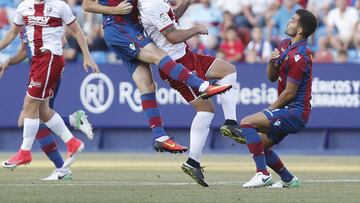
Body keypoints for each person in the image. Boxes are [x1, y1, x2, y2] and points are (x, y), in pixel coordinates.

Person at [82, 0, 233, 153]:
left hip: (132, 30)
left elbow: (167, 18)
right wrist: (116, 10)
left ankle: (160, 136)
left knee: (147, 86)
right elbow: (87, 5)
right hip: (120, 29)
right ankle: (203, 86)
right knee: (160, 56)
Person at [138, 0, 244, 187]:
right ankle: (192, 162)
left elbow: (171, 20)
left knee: (228, 70)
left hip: (186, 55)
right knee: (206, 109)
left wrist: (185, 4)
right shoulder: (151, 4)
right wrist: (195, 29)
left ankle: (230, 123)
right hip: (175, 64)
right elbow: (172, 36)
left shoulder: (156, 3)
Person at [0, 0, 100, 169]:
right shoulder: (24, 8)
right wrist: (8, 60)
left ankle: (26, 153)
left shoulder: (59, 6)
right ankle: (71, 142)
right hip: (37, 65)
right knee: (41, 111)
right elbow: (13, 36)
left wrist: (86, 56)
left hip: (49, 60)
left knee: (29, 108)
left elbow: (73, 33)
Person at [229, 9, 318, 188]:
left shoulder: (299, 56)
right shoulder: (286, 45)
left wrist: (268, 111)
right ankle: (288, 179)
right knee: (260, 146)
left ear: (300, 30)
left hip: (295, 113)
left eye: (292, 20)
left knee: (247, 123)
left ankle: (262, 174)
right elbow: (271, 77)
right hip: (288, 111)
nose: (288, 22)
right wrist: (271, 63)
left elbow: (289, 93)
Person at [0, 39, 94, 180]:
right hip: (37, 70)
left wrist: (45, 53)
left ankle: (60, 167)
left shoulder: (40, 18)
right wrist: (9, 61)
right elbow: (24, 49)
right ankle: (73, 122)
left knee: (31, 119)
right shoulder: (24, 23)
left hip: (47, 69)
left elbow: (62, 40)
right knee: (35, 117)